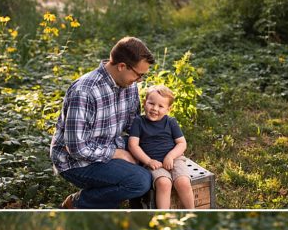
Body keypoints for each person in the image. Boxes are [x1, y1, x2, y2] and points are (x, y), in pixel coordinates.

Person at [51, 36, 154, 209]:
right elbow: (76, 148)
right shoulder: (84, 91)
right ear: (122, 66)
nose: (139, 80)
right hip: (75, 162)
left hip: (108, 144)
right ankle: (78, 203)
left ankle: (126, 204)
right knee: (140, 181)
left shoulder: (129, 86)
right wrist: (117, 154)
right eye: (139, 75)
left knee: (154, 149)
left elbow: (132, 125)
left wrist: (159, 135)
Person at [127, 85, 195, 209]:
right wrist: (148, 161)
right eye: (151, 103)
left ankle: (192, 212)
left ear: (169, 109)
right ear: (144, 103)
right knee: (164, 183)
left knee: (183, 182)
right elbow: (133, 145)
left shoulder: (171, 122)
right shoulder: (139, 122)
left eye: (160, 106)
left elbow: (182, 143)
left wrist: (170, 156)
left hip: (174, 159)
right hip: (153, 162)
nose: (154, 109)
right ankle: (163, 217)